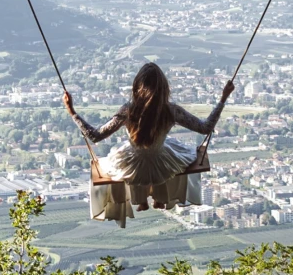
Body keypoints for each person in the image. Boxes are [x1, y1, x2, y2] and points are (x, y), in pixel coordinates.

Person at [64, 62, 235, 227]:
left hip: (132, 163)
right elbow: (205, 127)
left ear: (137, 87)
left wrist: (72, 111)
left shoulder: (128, 111)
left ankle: (143, 201)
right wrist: (223, 98)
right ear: (164, 88)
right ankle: (159, 199)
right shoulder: (170, 110)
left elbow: (94, 135)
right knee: (161, 168)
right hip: (162, 159)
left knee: (138, 171)